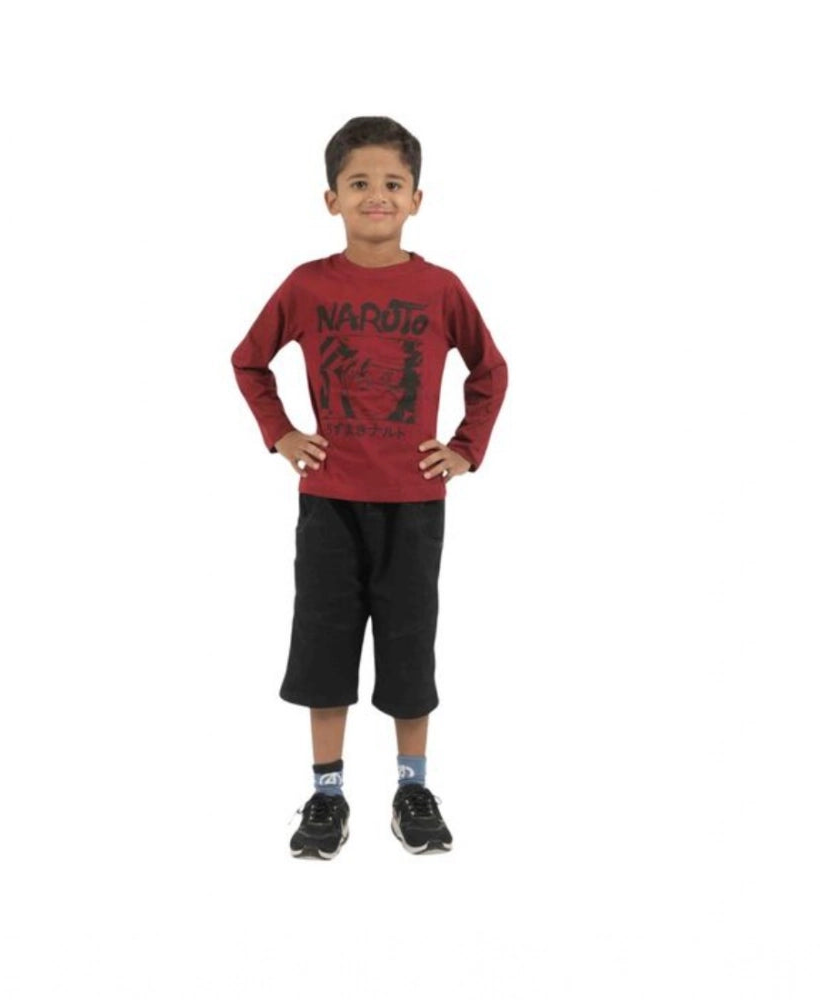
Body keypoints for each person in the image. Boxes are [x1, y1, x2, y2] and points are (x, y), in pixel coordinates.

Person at [231, 116, 507, 859]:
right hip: (329, 503)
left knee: (409, 649)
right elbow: (249, 361)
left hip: (414, 506)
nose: (375, 195)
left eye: (392, 183)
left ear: (417, 198)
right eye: (358, 183)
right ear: (332, 199)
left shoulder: (440, 288)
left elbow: (490, 370)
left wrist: (464, 449)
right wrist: (282, 434)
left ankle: (413, 788)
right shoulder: (307, 285)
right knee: (324, 646)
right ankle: (327, 794)